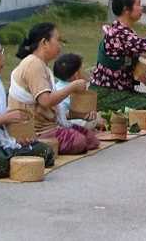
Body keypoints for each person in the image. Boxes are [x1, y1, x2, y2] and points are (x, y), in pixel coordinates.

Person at [8, 23, 100, 155]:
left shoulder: (40, 64)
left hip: (49, 125)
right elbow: (45, 101)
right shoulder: (33, 64)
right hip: (37, 131)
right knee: (80, 141)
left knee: (91, 139)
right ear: (44, 42)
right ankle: (41, 146)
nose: (60, 45)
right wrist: (72, 87)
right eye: (57, 40)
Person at [0, 35, 54, 179]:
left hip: (0, 138)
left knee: (45, 152)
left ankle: (14, 155)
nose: (3, 57)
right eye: (0, 52)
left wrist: (17, 135)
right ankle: (11, 157)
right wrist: (4, 118)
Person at [54, 53, 98, 129]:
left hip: (56, 121)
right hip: (64, 126)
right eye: (82, 68)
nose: (85, 71)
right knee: (95, 120)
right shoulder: (76, 91)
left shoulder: (57, 86)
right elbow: (82, 116)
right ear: (76, 75)